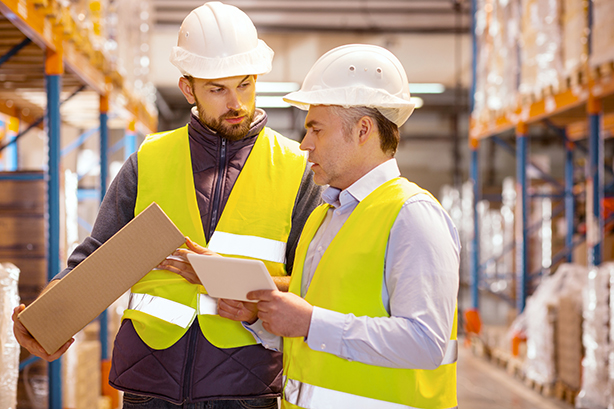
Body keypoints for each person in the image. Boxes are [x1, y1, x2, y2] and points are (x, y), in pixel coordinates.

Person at [12, 2, 322, 408]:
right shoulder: (150, 159)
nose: (236, 103)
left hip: (243, 391)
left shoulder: (296, 169)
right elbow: (95, 259)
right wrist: (48, 318)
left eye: (245, 85)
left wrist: (235, 282)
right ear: (188, 88)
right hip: (149, 388)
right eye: (218, 89)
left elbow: (314, 284)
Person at [219, 44, 460, 409]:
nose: (304, 145)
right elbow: (313, 339)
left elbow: (426, 343)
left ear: (363, 130)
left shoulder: (412, 215)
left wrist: (311, 323)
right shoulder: (323, 216)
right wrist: (263, 318)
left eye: (316, 130)